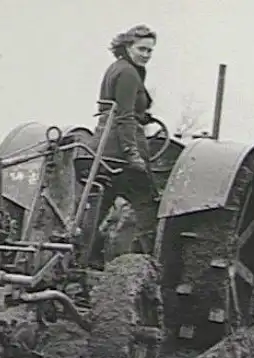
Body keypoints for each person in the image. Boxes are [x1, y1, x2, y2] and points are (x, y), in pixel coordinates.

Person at [86, 24, 160, 264]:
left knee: (98, 207)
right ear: (128, 47)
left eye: (150, 50)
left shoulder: (117, 68)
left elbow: (113, 107)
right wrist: (132, 153)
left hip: (104, 146)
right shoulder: (128, 73)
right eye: (141, 49)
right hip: (120, 148)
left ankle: (87, 259)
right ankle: (153, 264)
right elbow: (124, 116)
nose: (146, 55)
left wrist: (142, 116)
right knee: (148, 206)